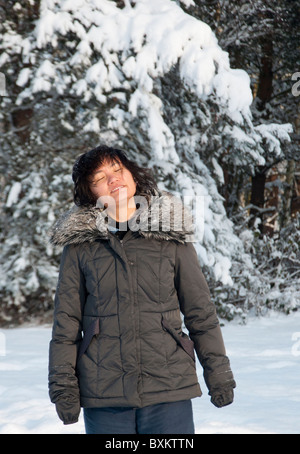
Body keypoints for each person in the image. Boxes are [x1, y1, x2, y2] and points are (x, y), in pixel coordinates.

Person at [48, 144, 236, 434]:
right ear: (90, 193)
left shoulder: (170, 236)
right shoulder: (80, 247)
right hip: (104, 392)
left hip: (168, 386)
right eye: (99, 178)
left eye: (117, 170)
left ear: (132, 175)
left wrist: (218, 373)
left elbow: (200, 312)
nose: (112, 180)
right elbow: (66, 324)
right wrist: (63, 388)